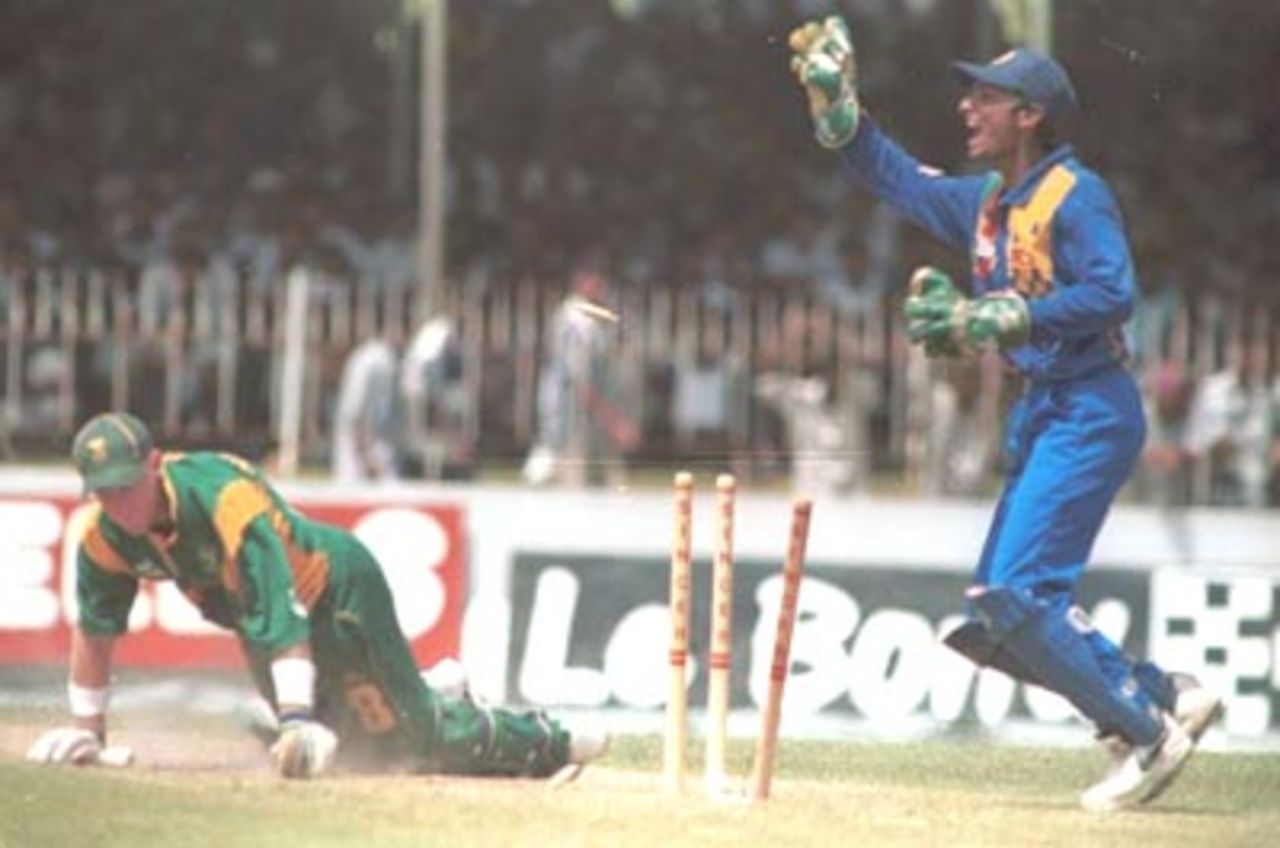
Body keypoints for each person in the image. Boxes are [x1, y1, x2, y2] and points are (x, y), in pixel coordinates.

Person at [787, 18, 1221, 812]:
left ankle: (1148, 734)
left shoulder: (1074, 193)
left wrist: (1009, 318)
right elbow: (898, 181)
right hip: (1046, 411)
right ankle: (1165, 690)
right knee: (992, 618)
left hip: (1091, 406)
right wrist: (840, 112)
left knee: (1018, 595)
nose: (966, 107)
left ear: (1030, 115)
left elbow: (1112, 291)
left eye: (986, 96)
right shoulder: (988, 204)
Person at [26, 412, 607, 780]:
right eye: (104, 494)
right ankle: (429, 686)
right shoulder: (106, 537)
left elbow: (282, 613)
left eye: (128, 486)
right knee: (364, 758)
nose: (120, 504)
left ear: (155, 465)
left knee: (419, 740)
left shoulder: (225, 499)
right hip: (266, 626)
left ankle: (548, 739)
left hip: (337, 590)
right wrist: (89, 731)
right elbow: (96, 629)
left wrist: (298, 718)